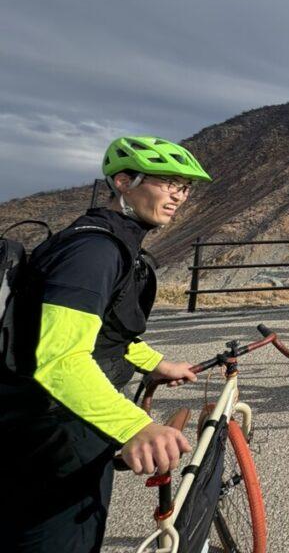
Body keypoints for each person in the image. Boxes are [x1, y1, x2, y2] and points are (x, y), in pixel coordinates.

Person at [0, 136, 209, 553]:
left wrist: (157, 363)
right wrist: (137, 426)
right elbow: (61, 358)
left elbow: (107, 333)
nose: (178, 196)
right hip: (54, 427)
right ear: (124, 182)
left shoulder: (113, 241)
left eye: (185, 187)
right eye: (168, 182)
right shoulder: (94, 251)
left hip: (67, 415)